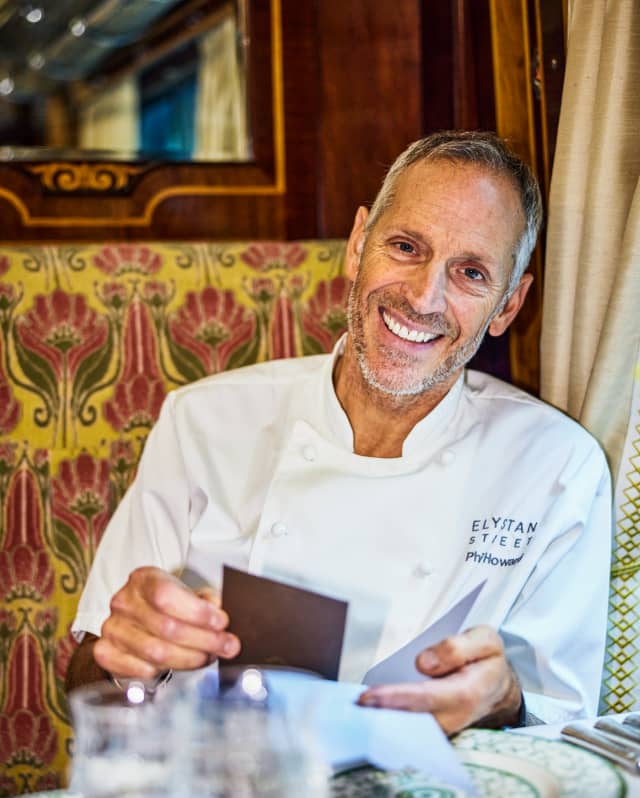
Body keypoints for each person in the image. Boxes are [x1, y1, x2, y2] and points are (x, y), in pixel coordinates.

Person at [66, 130, 611, 734]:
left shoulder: (558, 467)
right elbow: (88, 679)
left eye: (471, 273)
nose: (423, 297)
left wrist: (506, 699)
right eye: (406, 246)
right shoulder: (203, 421)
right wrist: (128, 658)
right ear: (358, 244)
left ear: (508, 305)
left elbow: (567, 730)